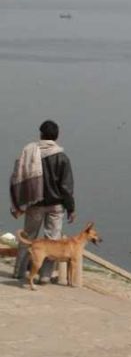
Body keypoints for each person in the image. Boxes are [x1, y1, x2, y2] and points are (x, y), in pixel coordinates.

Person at [10, 120, 76, 283]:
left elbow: (18, 175)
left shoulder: (30, 152)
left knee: (28, 237)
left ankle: (19, 272)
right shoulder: (62, 158)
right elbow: (66, 187)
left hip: (34, 204)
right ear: (57, 136)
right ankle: (45, 276)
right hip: (55, 206)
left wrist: (19, 202)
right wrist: (71, 208)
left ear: (41, 135)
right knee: (52, 240)